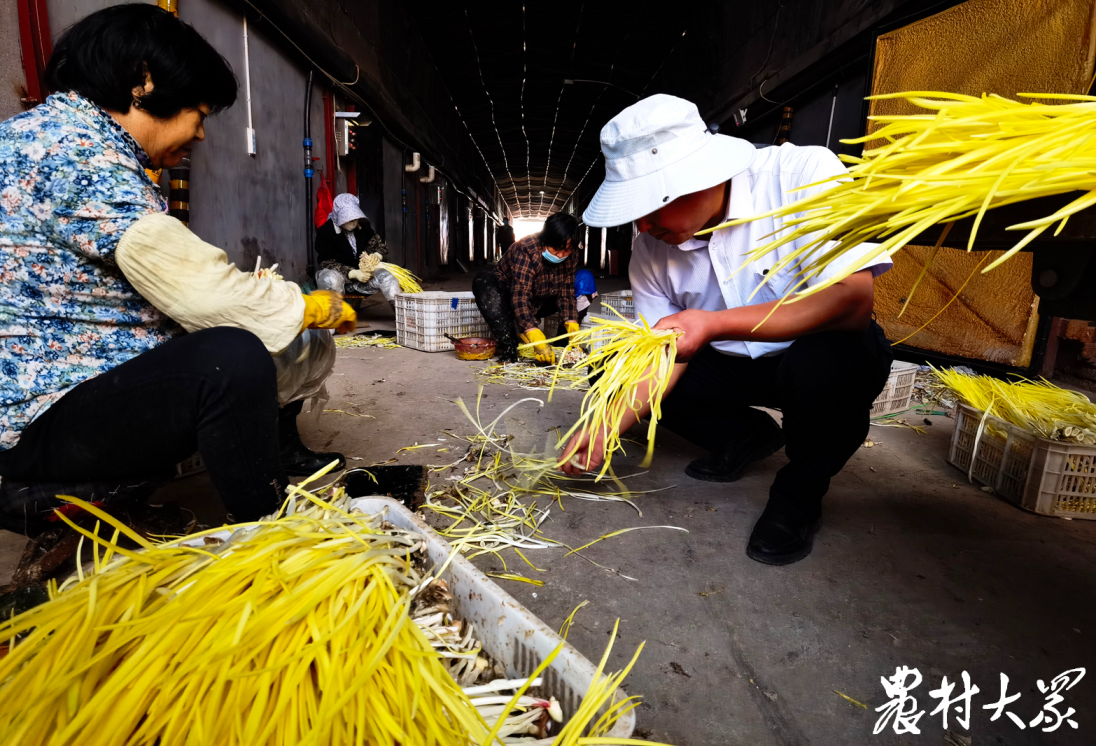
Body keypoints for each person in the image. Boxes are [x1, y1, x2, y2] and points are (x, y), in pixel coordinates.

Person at [0, 5, 357, 535]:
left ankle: (104, 488)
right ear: (143, 82)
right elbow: (205, 293)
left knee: (239, 343)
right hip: (38, 421)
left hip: (45, 402)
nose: (202, 133)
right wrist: (301, 306)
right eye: (201, 112)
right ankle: (274, 538)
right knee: (230, 360)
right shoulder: (79, 158)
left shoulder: (45, 136)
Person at [562, 94, 894, 565]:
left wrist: (713, 323)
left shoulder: (801, 175)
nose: (644, 223)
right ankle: (742, 435)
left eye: (655, 204)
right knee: (608, 374)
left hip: (807, 354)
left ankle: (797, 497)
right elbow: (660, 354)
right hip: (724, 363)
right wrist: (606, 428)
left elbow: (853, 300)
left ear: (700, 175)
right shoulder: (651, 247)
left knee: (843, 360)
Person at [472, 212, 581, 363]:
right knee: (483, 281)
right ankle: (509, 345)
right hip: (509, 299)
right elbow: (520, 295)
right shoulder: (526, 248)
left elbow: (566, 292)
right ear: (545, 240)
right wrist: (532, 331)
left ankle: (564, 345)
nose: (561, 254)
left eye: (567, 250)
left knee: (585, 283)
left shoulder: (572, 255)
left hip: (540, 300)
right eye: (556, 249)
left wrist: (572, 323)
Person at [314, 193, 395, 298]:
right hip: (339, 277)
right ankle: (334, 313)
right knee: (328, 280)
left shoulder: (363, 226)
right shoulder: (325, 232)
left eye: (355, 218)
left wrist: (377, 255)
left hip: (363, 278)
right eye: (348, 219)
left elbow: (379, 245)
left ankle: (401, 312)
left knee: (387, 277)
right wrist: (353, 273)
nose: (353, 223)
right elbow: (325, 263)